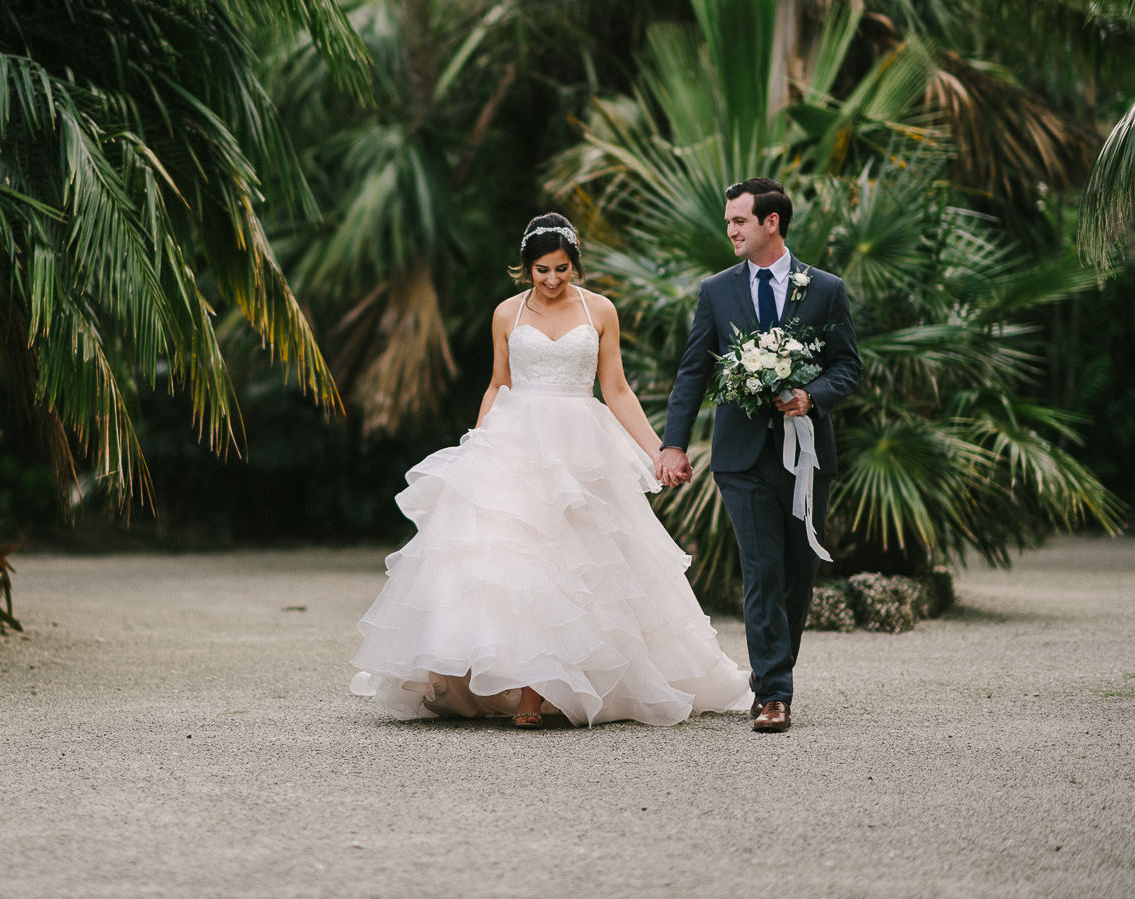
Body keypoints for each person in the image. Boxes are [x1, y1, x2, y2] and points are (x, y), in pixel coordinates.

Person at [349, 214, 753, 728]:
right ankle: (522, 688)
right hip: (516, 441)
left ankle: (544, 693)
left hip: (581, 446)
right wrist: (478, 443)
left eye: (562, 268)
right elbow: (498, 383)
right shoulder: (507, 313)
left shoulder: (599, 309)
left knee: (575, 565)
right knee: (518, 564)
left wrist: (660, 449)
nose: (553, 279)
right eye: (542, 270)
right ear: (527, 267)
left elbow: (617, 389)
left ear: (574, 264)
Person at [656, 178, 861, 734]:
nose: (730, 230)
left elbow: (848, 366)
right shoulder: (716, 291)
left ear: (772, 222)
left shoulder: (824, 288)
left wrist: (810, 397)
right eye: (728, 221)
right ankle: (774, 693)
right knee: (763, 570)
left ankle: (772, 673)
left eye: (739, 220)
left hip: (807, 457)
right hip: (741, 458)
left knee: (798, 572)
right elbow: (693, 372)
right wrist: (673, 443)